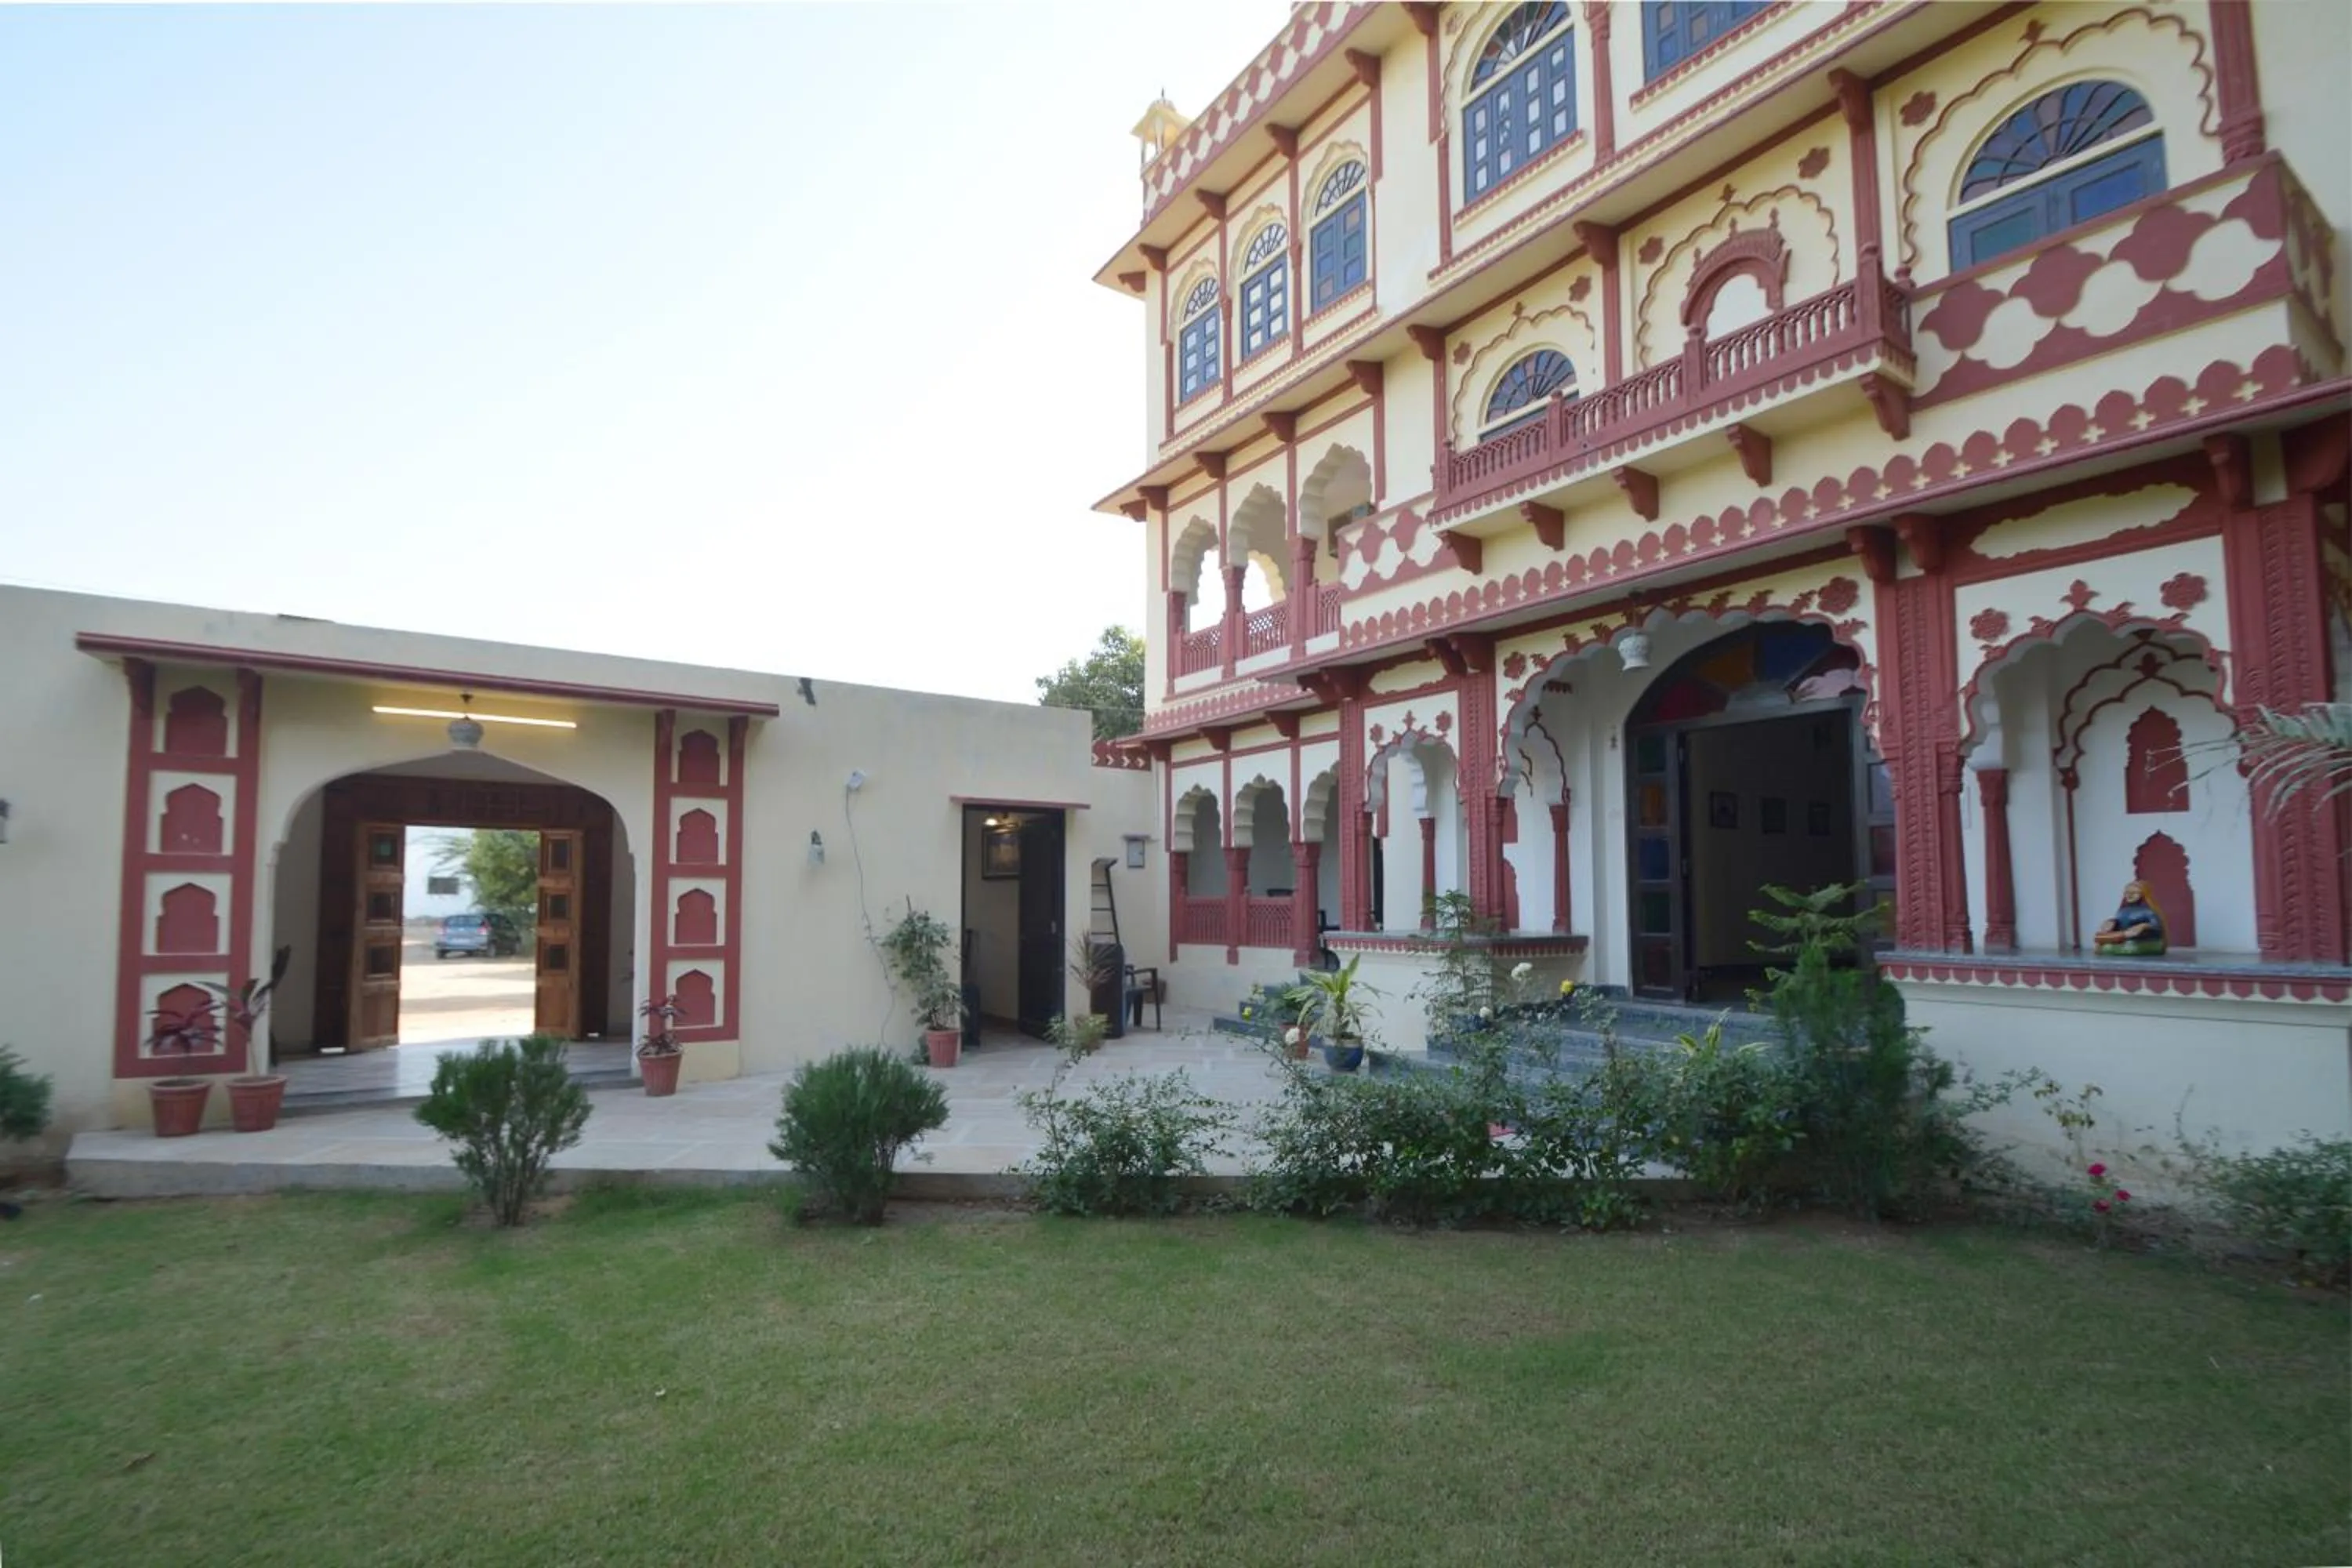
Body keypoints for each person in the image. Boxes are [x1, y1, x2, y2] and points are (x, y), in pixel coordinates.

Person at [2092, 880, 2166, 956]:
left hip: (2141, 940)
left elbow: (2157, 926)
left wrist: (2144, 926)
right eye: (2127, 893)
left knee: (2129, 947)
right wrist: (2112, 923)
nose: (2130, 895)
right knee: (2107, 945)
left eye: (2134, 893)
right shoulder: (2122, 911)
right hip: (2123, 939)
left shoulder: (2148, 911)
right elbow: (2120, 925)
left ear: (2143, 894)